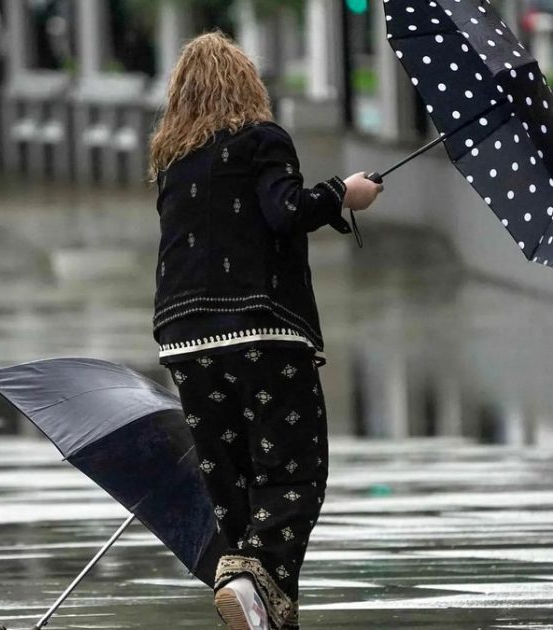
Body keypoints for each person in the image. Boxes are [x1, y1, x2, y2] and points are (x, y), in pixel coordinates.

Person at [149, 31, 382, 630]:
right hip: (260, 329)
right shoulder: (263, 140)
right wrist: (343, 194)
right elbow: (284, 211)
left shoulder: (172, 161)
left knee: (231, 479)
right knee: (294, 470)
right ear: (248, 85)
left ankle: (258, 603)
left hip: (184, 338)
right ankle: (256, 582)